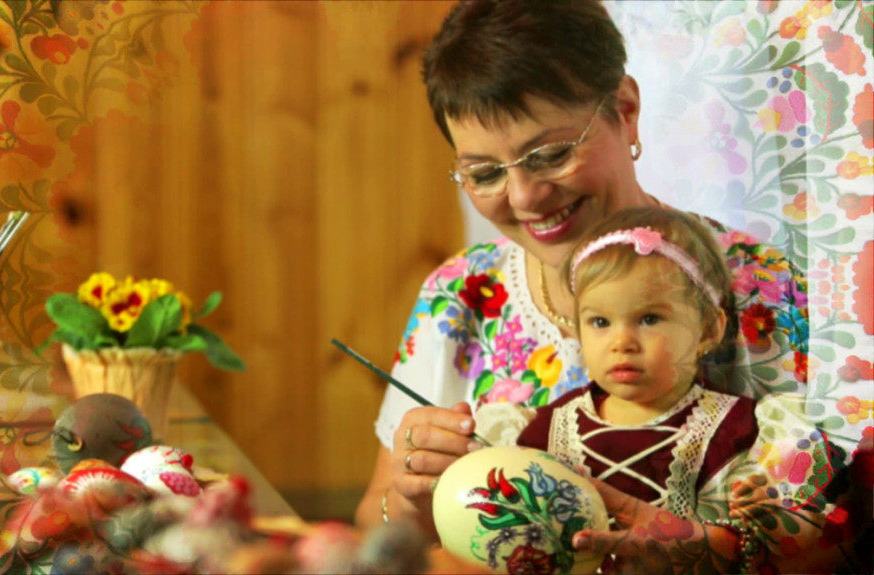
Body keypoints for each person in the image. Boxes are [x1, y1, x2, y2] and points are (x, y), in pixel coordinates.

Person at [355, 0, 863, 571]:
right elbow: (375, 520)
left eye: (549, 154)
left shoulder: (766, 292)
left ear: (626, 109)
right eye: (485, 173)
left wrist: (715, 549)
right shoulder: (459, 296)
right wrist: (408, 500)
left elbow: (853, 535)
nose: (523, 197)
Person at [516, 207, 828, 573]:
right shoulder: (545, 430)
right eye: (600, 321)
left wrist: (756, 518)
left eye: (649, 319)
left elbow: (776, 550)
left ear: (709, 329)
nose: (622, 342)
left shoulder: (739, 432)